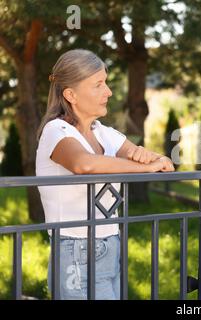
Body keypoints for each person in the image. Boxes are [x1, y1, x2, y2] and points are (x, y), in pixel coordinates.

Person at [36, 49, 174, 300]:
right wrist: (145, 166)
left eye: (106, 83)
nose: (108, 91)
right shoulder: (56, 130)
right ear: (71, 94)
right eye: (98, 84)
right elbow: (84, 164)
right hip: (75, 251)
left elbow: (159, 161)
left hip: (111, 244)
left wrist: (156, 158)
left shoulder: (104, 132)